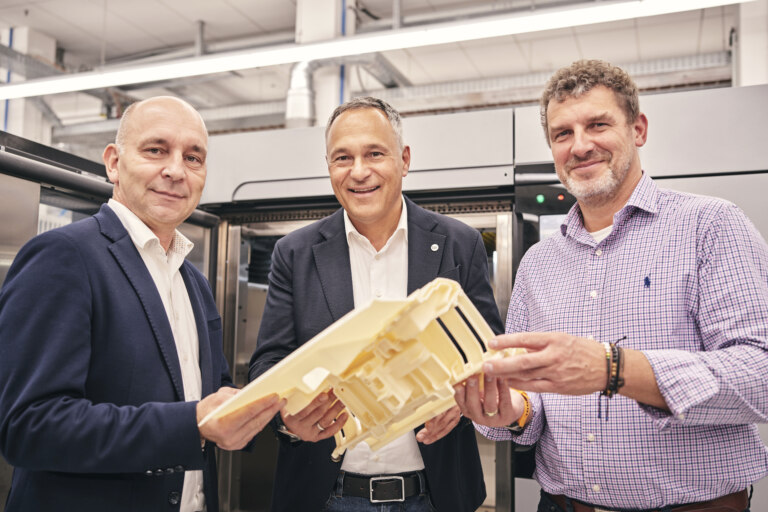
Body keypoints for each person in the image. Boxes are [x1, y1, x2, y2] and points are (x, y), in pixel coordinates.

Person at [455, 59, 768, 511]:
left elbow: (759, 376)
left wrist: (615, 369)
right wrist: (513, 412)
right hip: (562, 503)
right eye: (563, 134)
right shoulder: (539, 263)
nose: (580, 146)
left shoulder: (710, 226)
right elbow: (532, 398)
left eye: (598, 125)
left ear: (638, 129)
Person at [0, 96, 283, 512]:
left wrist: (282, 413)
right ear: (114, 162)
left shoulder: (193, 282)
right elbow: (28, 426)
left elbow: (213, 398)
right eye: (156, 150)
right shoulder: (64, 257)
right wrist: (194, 425)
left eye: (193, 157)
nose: (175, 170)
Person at [249, 96, 504, 511]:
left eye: (374, 153)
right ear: (329, 167)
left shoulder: (459, 244)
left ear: (403, 159)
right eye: (342, 158)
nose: (359, 171)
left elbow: (487, 351)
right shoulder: (293, 254)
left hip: (434, 495)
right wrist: (287, 418)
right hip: (326, 495)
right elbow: (268, 363)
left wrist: (460, 405)